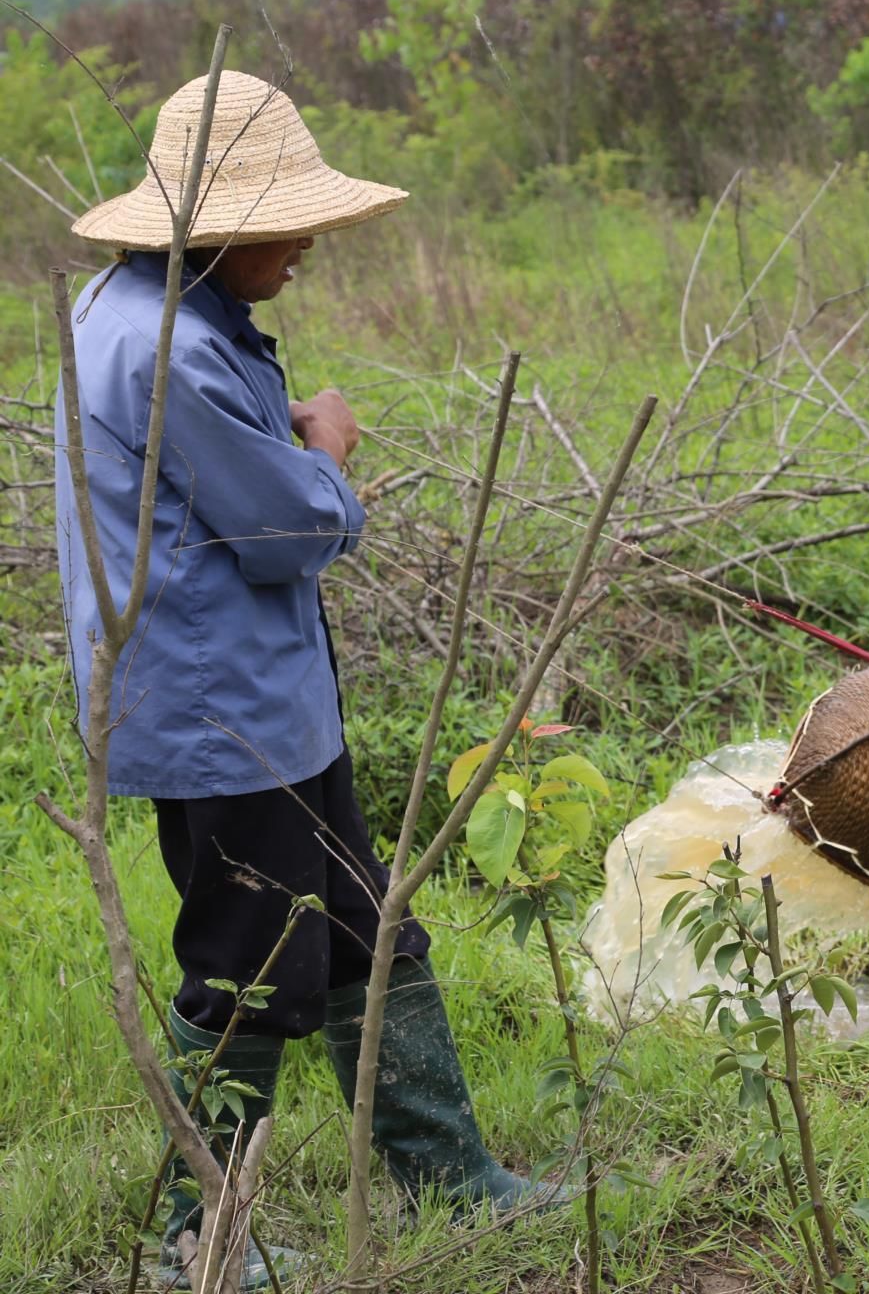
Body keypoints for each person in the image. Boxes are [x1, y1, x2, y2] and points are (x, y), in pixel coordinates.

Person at [55, 71, 566, 1291]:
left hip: (265, 706)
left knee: (357, 926)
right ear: (215, 228)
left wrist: (277, 446)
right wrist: (325, 455)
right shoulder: (172, 349)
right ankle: (202, 1244)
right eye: (290, 223)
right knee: (249, 964)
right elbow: (281, 533)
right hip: (222, 715)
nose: (309, 248)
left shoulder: (133, 312)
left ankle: (450, 1176)